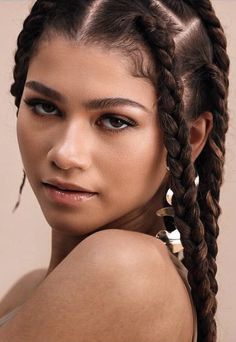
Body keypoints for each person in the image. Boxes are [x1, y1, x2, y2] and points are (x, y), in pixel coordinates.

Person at [0, 0, 230, 341]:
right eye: (45, 106)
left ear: (190, 138)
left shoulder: (126, 270)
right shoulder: (30, 287)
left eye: (114, 121)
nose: (65, 153)